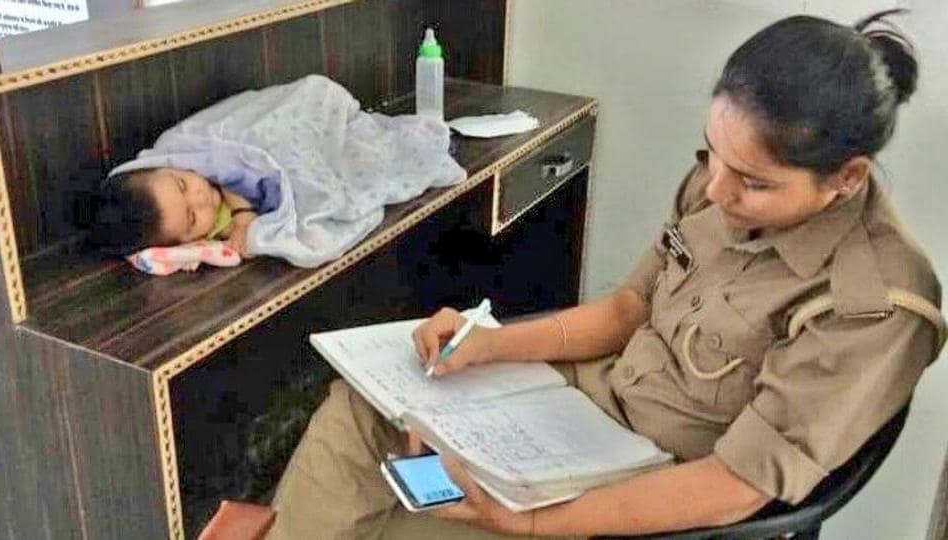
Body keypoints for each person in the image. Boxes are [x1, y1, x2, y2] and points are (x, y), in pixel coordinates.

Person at [266, 9, 945, 538]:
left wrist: (531, 522)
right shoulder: (718, 189)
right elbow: (628, 308)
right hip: (581, 411)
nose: (716, 190)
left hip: (647, 491)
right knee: (365, 410)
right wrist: (488, 344)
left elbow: (734, 487)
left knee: (383, 521)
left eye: (753, 182)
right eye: (714, 153)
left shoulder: (873, 306)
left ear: (846, 178)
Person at [90, 167, 261, 256]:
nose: (200, 198)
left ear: (167, 167)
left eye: (182, 185)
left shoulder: (199, 164)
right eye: (192, 218)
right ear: (188, 242)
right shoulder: (220, 233)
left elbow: (229, 170)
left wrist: (243, 216)